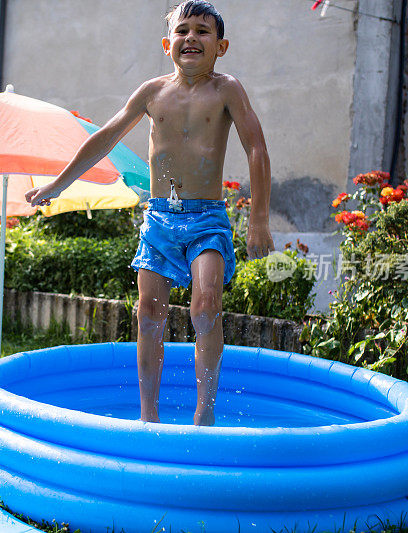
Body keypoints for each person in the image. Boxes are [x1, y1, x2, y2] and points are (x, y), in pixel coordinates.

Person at [26, 0, 274, 426]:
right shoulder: (151, 92)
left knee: (206, 305)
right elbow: (105, 137)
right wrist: (58, 184)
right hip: (160, 218)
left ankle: (205, 413)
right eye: (182, 31)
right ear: (167, 44)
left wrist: (259, 220)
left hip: (206, 219)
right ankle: (148, 417)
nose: (191, 38)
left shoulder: (226, 89)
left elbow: (256, 146)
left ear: (221, 46)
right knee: (150, 313)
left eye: (202, 31)